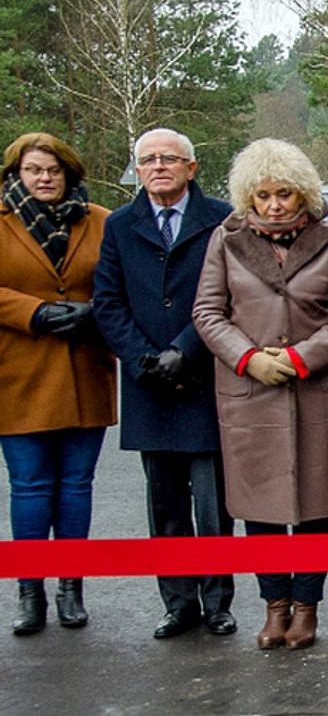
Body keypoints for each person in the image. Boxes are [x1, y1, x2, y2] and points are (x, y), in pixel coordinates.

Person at [193, 138, 328, 650]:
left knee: (316, 507)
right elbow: (207, 312)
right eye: (263, 194)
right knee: (261, 507)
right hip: (250, 392)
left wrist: (297, 358)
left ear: (302, 194)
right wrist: (249, 358)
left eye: (284, 194)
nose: (274, 204)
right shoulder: (224, 243)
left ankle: (307, 608)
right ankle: (275, 607)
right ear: (248, 196)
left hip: (316, 391)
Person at [93, 128, 236, 640]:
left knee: (212, 501)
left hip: (203, 375)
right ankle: (178, 603)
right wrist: (143, 359)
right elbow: (107, 301)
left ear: (191, 168)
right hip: (148, 381)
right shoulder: (119, 225)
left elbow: (227, 294)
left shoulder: (221, 218)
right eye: (147, 159)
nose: (158, 167)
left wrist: (186, 350)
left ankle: (218, 602)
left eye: (169, 159)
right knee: (165, 502)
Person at [0, 133, 116, 635]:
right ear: (16, 174)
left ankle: (72, 588)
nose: (44, 178)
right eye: (33, 170)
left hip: (84, 368)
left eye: (53, 170)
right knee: (29, 485)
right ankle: (30, 591)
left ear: (70, 174)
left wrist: (95, 313)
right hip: (18, 371)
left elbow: (118, 282)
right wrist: (36, 312)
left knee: (75, 486)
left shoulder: (100, 220)